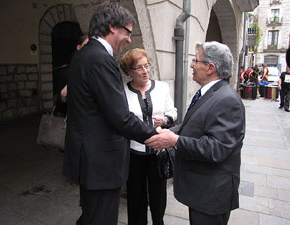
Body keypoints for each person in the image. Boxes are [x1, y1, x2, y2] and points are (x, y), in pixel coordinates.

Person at [62, 2, 157, 225]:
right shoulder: (100, 59)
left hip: (91, 160)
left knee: (91, 215)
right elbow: (120, 117)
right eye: (128, 32)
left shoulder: (84, 54)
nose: (130, 39)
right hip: (100, 163)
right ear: (113, 27)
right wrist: (154, 135)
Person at [145, 41, 246, 225]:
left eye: (196, 60)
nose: (191, 65)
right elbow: (193, 126)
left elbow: (216, 148)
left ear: (210, 67)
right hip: (203, 192)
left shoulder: (227, 100)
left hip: (212, 195)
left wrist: (175, 140)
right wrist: (165, 132)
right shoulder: (211, 93)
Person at [120, 48, 177, 225]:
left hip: (158, 153)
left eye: (147, 66)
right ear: (129, 71)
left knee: (158, 198)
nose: (145, 71)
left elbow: (173, 112)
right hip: (133, 155)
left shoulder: (162, 87)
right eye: (139, 68)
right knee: (135, 197)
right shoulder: (122, 92)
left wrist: (166, 119)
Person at [54, 34, 89, 116]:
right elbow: (59, 100)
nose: (90, 49)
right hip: (71, 118)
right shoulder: (66, 71)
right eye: (86, 45)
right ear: (78, 47)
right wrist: (65, 93)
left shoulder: (96, 69)